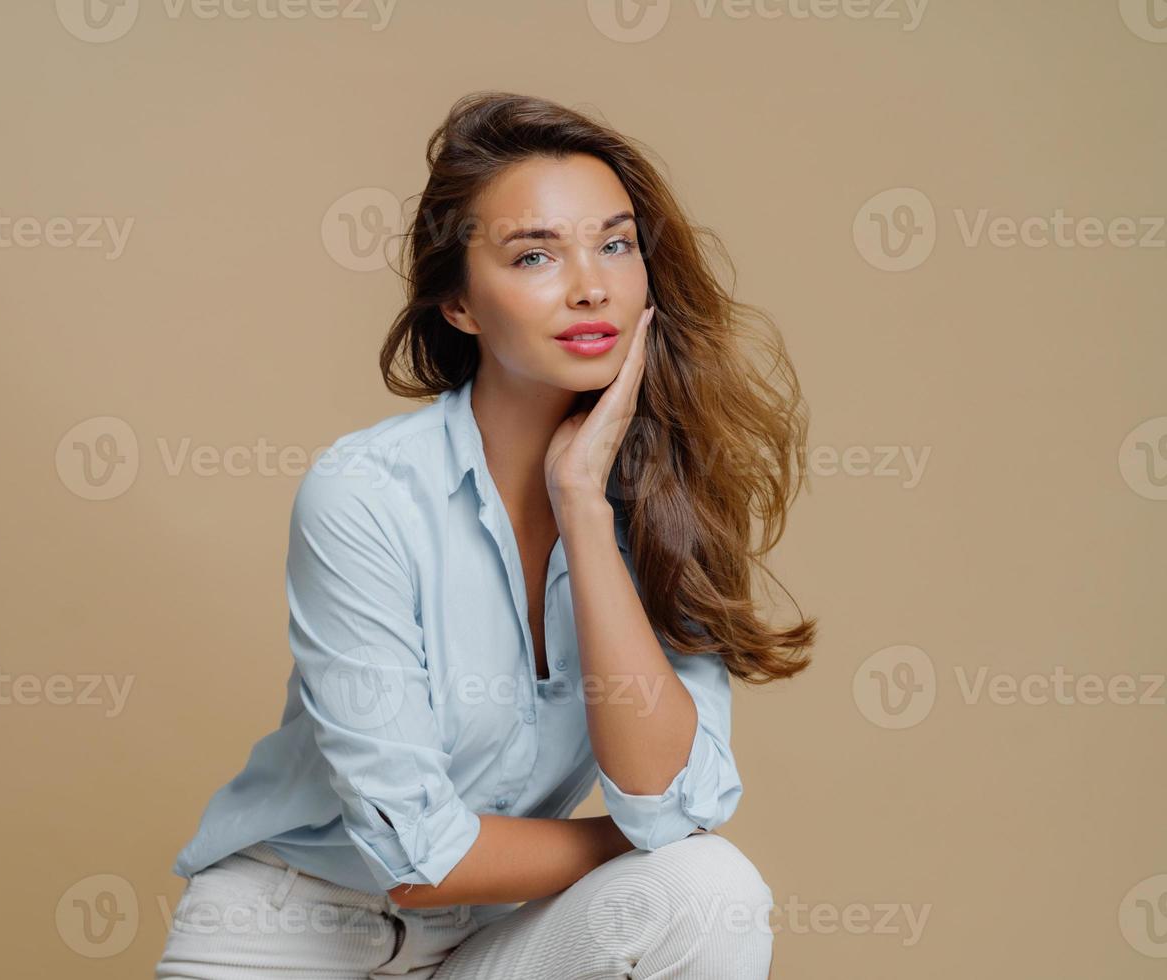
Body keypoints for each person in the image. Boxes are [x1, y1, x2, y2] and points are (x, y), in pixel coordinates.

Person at [157, 90, 817, 979]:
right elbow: (419, 857)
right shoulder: (366, 495)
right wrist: (624, 839)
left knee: (710, 889)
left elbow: (672, 802)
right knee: (679, 858)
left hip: (489, 947)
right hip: (289, 940)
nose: (591, 284)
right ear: (460, 304)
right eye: (535, 253)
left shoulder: (668, 501)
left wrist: (584, 504)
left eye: (616, 244)